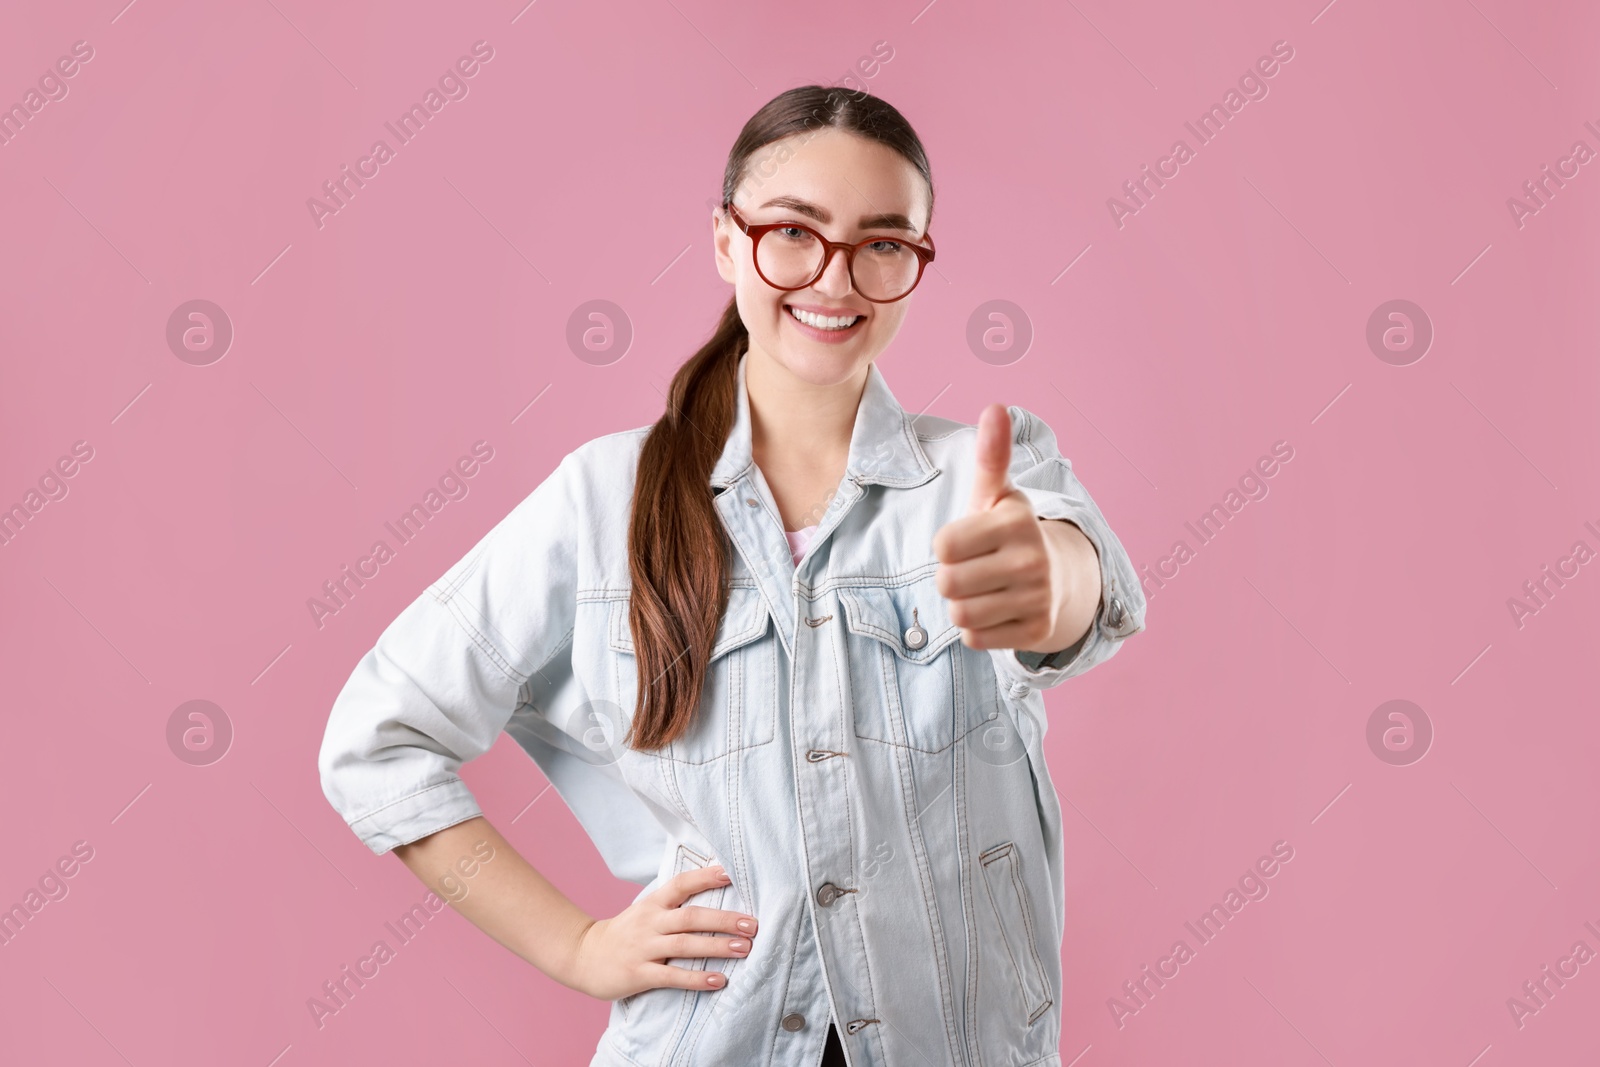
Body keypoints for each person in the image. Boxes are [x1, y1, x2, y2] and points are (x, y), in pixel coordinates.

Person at [318, 83, 1145, 1066]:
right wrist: (580, 947)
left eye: (883, 242)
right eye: (793, 232)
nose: (833, 278)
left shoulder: (981, 477)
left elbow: (1085, 587)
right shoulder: (601, 498)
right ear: (724, 241)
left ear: (917, 266)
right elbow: (376, 740)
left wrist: (1053, 582)